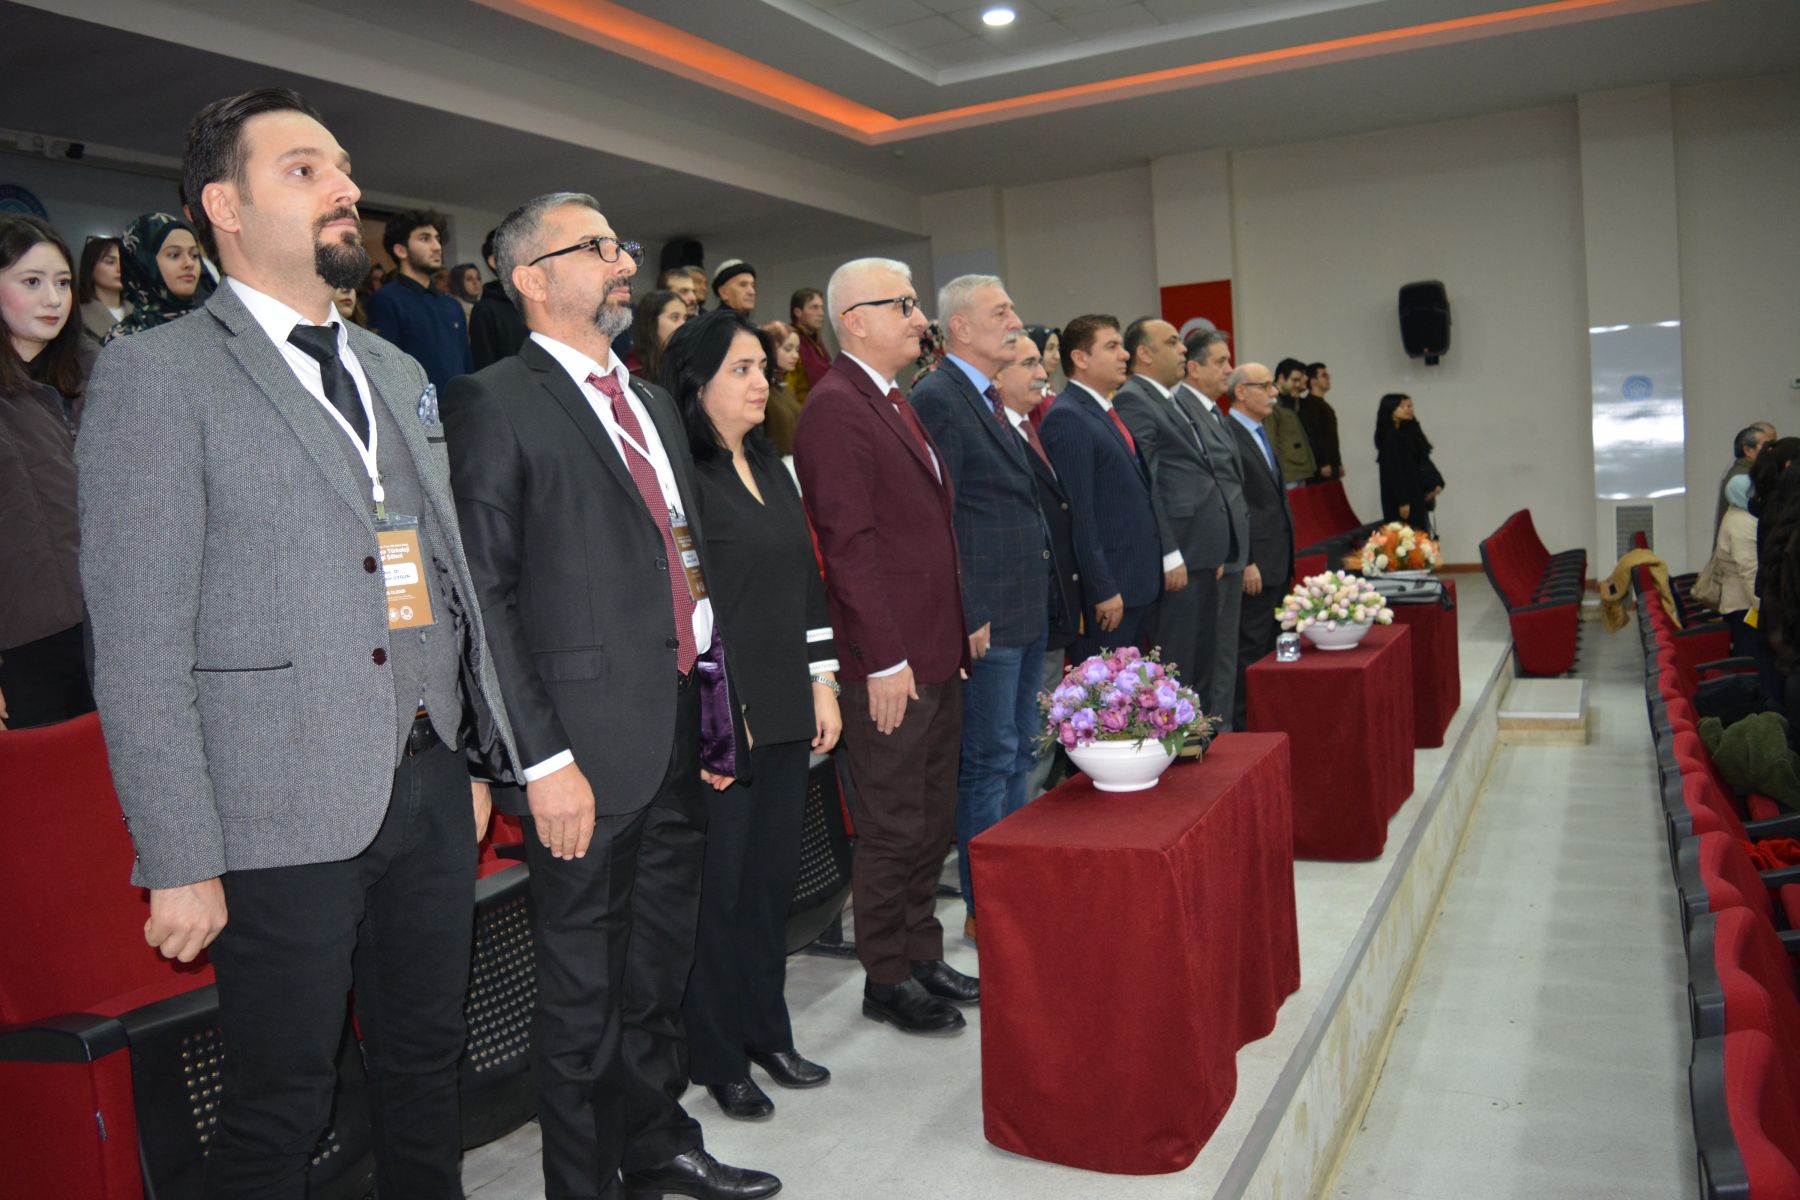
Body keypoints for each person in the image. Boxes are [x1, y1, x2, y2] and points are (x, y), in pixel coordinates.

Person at [76, 87, 515, 1198]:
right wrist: (178, 855)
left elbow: (437, 579)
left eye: (344, 169)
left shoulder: (396, 370)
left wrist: (466, 755)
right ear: (224, 207)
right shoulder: (158, 374)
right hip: (272, 804)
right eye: (306, 170)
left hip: (425, 781)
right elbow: (137, 646)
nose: (346, 189)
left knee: (427, 1066)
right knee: (282, 1104)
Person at [441, 191, 775, 1200]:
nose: (625, 263)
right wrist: (538, 760)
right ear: (533, 278)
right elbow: (485, 598)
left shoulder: (654, 403)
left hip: (678, 726)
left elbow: (689, 565)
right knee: (583, 997)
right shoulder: (493, 400)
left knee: (657, 969)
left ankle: (658, 1145)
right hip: (579, 752)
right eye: (598, 248)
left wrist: (718, 700)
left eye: (620, 246)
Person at [662, 308, 842, 1122]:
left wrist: (822, 678)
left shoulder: (771, 466)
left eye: (763, 369)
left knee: (771, 886)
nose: (761, 382)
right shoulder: (683, 478)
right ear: (696, 384)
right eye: (741, 369)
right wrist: (712, 719)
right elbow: (685, 606)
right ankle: (719, 1055)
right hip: (720, 716)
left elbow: (806, 583)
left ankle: (768, 1030)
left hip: (784, 706)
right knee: (721, 895)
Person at [793, 256, 977, 1036]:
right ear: (855, 320)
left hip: (934, 647)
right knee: (894, 823)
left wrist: (959, 623)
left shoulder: (893, 399)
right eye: (902, 304)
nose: (918, 317)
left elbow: (926, 533)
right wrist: (885, 660)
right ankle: (887, 974)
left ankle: (922, 951)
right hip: (891, 661)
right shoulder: (836, 408)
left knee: (931, 817)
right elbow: (850, 548)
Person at [909, 273, 1046, 944]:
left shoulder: (986, 397)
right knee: (990, 760)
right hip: (989, 612)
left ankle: (1015, 884)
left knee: (1019, 752)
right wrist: (969, 608)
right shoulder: (939, 397)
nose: (1015, 319)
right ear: (959, 327)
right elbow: (943, 514)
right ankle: (985, 902)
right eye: (1001, 311)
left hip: (1023, 603)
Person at [1, 214, 95, 729]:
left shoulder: (103, 374)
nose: (53, 299)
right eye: (31, 282)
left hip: (115, 628)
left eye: (62, 283)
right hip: (23, 642)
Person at [1115, 316, 1238, 702]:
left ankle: (1201, 735)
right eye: (1172, 342)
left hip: (1200, 550)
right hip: (1179, 553)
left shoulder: (1168, 398)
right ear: (1145, 354)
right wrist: (1169, 552)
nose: (1183, 348)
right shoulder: (1133, 399)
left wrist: (1215, 546)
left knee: (1201, 664)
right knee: (1179, 667)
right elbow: (1147, 483)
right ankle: (1180, 738)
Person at [1039, 313, 1161, 662]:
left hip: (1136, 583)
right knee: (1106, 690)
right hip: (1110, 593)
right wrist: (1102, 588)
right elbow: (1079, 513)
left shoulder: (1104, 410)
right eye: (1112, 346)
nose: (1125, 354)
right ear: (1080, 358)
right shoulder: (1068, 417)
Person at [993, 330, 1079, 797]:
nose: (1043, 373)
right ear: (996, 375)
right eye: (1028, 364)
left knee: (1039, 727)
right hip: (1014, 610)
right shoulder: (999, 433)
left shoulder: (1028, 428)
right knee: (1019, 736)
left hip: (1047, 603)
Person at [1176, 329, 1250, 729]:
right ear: (1194, 368)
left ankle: (1224, 733)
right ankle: (1213, 732)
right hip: (1211, 552)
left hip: (1231, 548)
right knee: (1212, 654)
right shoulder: (1182, 410)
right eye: (1220, 362)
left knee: (1225, 654)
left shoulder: (1211, 412)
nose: (1229, 369)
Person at [1222, 363, 1296, 729]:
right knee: (1249, 647)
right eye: (1264, 385)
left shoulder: (1259, 431)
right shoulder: (1229, 434)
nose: (1273, 392)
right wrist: (1246, 559)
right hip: (1255, 563)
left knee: (1273, 642)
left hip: (1277, 558)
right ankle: (1243, 724)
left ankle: (1269, 721)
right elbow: (1234, 504)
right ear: (1240, 392)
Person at [364, 209, 472, 389]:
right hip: (412, 404)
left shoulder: (452, 305)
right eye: (425, 238)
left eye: (437, 239)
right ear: (401, 250)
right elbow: (385, 370)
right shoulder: (385, 301)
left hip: (461, 404)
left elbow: (467, 366)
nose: (437, 247)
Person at [104, 211, 210, 341]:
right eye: (174, 255)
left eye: (194, 255)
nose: (189, 263)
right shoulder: (122, 342)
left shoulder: (217, 327)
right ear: (143, 263)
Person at [1374, 392, 1444, 532]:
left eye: (1410, 406)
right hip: (1401, 497)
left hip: (1415, 492)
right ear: (1390, 410)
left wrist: (1436, 482)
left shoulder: (1409, 431)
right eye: (1402, 406)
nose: (1408, 409)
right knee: (1405, 535)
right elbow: (1393, 472)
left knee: (1420, 533)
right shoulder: (1388, 437)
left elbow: (1423, 460)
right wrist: (1403, 501)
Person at [470, 225, 529, 370]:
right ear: (493, 262)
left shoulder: (530, 301)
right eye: (512, 249)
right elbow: (485, 365)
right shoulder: (484, 310)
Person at [1714, 474, 1760, 658]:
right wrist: (1761, 605)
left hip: (1738, 600)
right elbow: (1749, 570)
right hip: (1745, 604)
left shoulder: (1734, 515)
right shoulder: (1742, 523)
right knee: (1749, 659)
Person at [1265, 357, 1317, 487]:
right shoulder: (1270, 402)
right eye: (1295, 380)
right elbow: (1270, 441)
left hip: (1300, 470)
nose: (1298, 384)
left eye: (1300, 380)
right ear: (1281, 378)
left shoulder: (1293, 400)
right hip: (1287, 474)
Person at [756, 319, 804, 457]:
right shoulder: (760, 391)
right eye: (788, 349)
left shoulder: (783, 388)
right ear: (769, 349)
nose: (795, 356)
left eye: (797, 350)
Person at [623, 287, 687, 383]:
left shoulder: (686, 362)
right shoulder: (632, 371)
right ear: (651, 323)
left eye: (685, 318)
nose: (684, 324)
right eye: (674, 317)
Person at [1718, 423, 1773, 533]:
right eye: (1767, 446)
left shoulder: (1739, 471)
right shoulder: (1742, 478)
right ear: (1748, 450)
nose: (1772, 451)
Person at [77, 234, 129, 342]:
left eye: (124, 261)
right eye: (110, 262)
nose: (120, 268)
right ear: (90, 268)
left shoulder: (140, 312)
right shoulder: (76, 316)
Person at [787, 286, 832, 405]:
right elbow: (789, 391)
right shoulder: (790, 343)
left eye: (821, 307)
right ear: (798, 312)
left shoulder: (816, 341)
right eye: (814, 307)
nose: (821, 313)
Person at [1300, 361, 1343, 481]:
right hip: (1322, 467)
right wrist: (1323, 463)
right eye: (1324, 375)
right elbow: (1314, 436)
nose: (1328, 378)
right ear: (1313, 381)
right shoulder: (1309, 405)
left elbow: (1332, 438)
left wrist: (1338, 462)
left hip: (1331, 464)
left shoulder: (1324, 406)